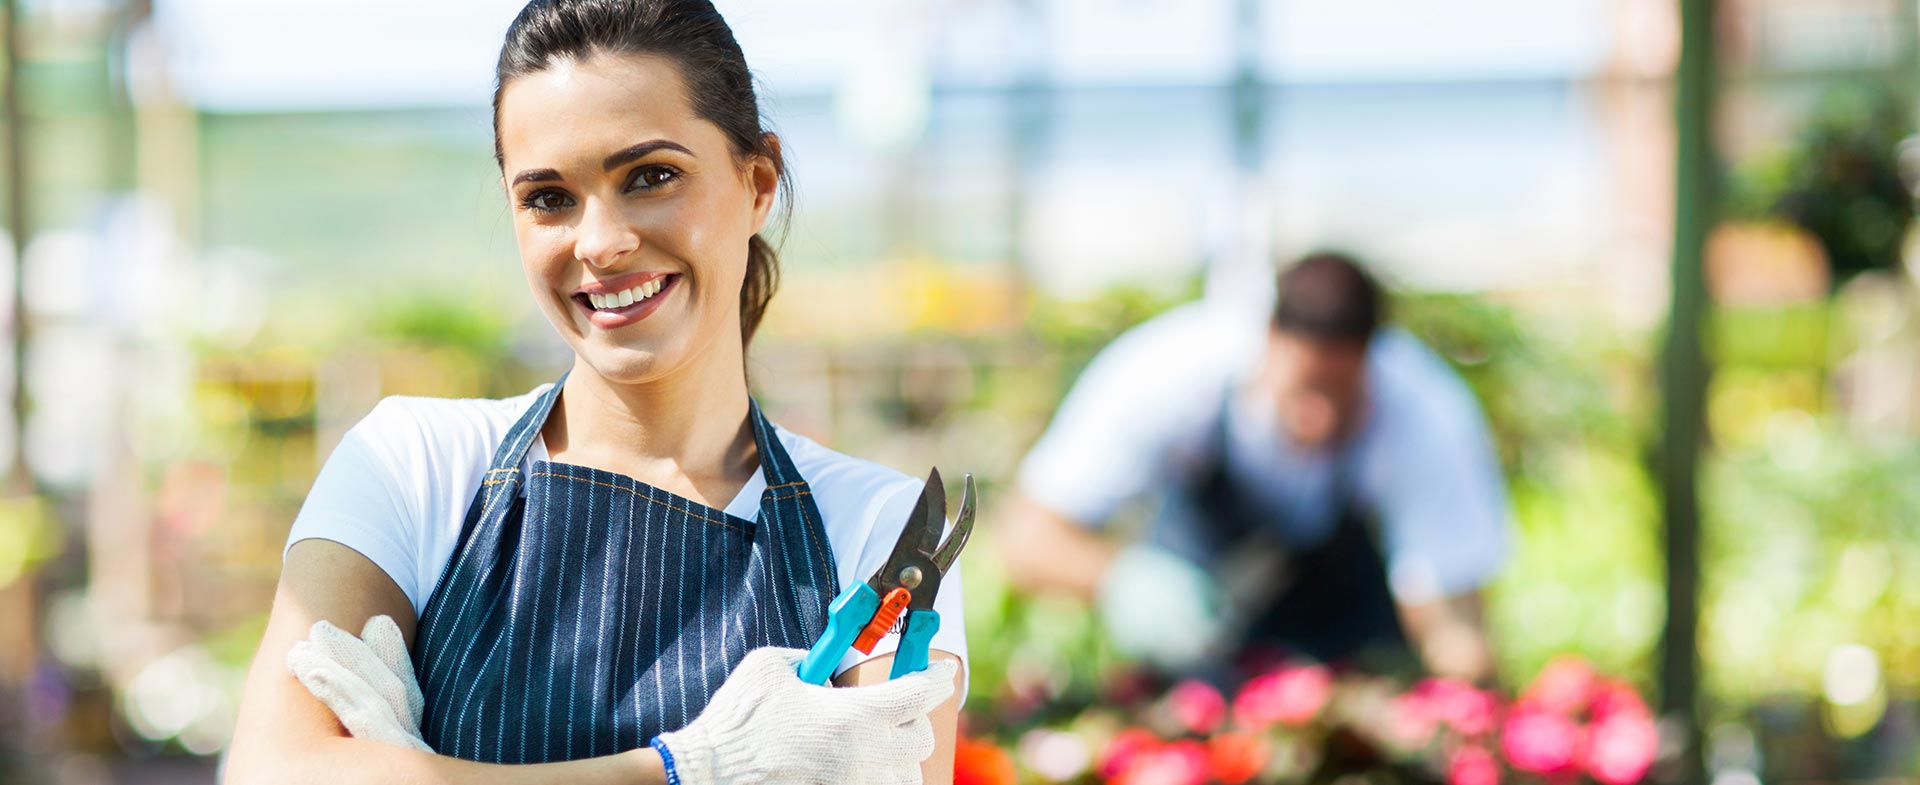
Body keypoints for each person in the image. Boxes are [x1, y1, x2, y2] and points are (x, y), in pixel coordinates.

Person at [223, 2, 966, 783]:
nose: (601, 243)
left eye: (652, 177)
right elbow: (268, 770)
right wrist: (689, 768)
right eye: (549, 198)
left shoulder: (874, 528)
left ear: (757, 183)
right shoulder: (410, 463)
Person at [999, 251, 1505, 683]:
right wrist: (1122, 578)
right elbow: (1027, 538)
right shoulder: (1168, 373)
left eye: (1340, 392)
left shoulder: (1424, 412)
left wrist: (1466, 707)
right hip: (1193, 664)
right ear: (1269, 336)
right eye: (1305, 388)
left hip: (1345, 668)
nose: (1319, 416)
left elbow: (1453, 619)